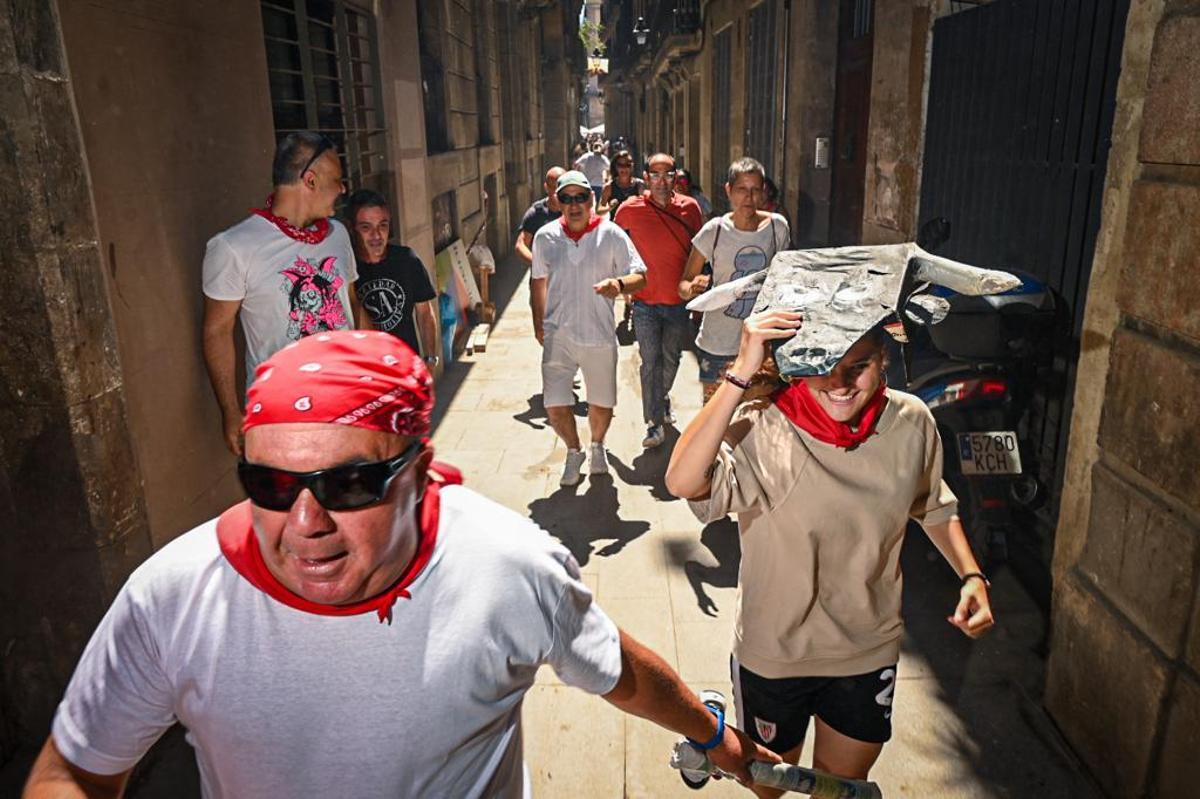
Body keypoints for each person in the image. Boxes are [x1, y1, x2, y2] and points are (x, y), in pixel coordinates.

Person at [24, 331, 778, 799]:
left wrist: (721, 741)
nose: (306, 523)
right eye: (271, 485)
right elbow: (75, 770)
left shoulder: (507, 567)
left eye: (348, 484)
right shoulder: (173, 596)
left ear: (420, 472)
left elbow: (619, 668)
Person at [664, 313, 995, 799]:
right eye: (820, 365)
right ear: (797, 365)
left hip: (867, 649)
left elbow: (934, 505)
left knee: (841, 790)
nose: (838, 383)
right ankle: (715, 730)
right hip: (775, 652)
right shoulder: (763, 425)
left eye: (857, 365)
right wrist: (740, 371)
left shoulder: (910, 422)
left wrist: (971, 576)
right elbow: (682, 482)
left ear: (884, 359)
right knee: (770, 786)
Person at [202, 131, 361, 457]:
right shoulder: (234, 247)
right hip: (282, 419)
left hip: (346, 407)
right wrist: (231, 413)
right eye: (338, 180)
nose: (343, 189)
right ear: (311, 181)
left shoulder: (338, 235)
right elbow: (217, 330)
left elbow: (352, 306)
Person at [531, 171, 647, 486]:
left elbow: (641, 276)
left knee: (602, 402)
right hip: (559, 335)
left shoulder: (611, 235)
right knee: (554, 407)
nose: (574, 204)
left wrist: (619, 284)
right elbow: (537, 280)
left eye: (580, 197)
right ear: (557, 202)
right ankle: (573, 450)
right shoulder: (545, 237)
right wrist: (538, 321)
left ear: (592, 199)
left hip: (598, 334)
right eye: (566, 198)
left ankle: (597, 446)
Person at [678, 158, 791, 402]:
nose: (748, 198)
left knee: (757, 417)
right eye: (741, 189)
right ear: (729, 190)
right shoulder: (714, 231)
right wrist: (693, 289)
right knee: (714, 419)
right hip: (717, 345)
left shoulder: (777, 228)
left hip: (761, 344)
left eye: (755, 190)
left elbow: (784, 279)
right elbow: (683, 285)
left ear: (763, 192)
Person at [613, 153, 703, 448]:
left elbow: (699, 254)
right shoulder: (629, 210)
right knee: (650, 362)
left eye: (668, 174)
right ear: (646, 177)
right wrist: (621, 283)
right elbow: (615, 249)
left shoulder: (690, 209)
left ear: (676, 176)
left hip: (678, 302)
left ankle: (660, 398)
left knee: (672, 358)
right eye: (656, 174)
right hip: (644, 304)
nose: (662, 181)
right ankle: (653, 422)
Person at [345, 190, 439, 369]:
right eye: (366, 227)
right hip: (366, 373)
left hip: (406, 369)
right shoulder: (346, 269)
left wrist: (430, 359)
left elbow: (425, 313)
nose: (377, 235)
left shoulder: (406, 260)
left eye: (383, 225)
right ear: (352, 229)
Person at [514, 166, 565, 266]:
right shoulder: (536, 213)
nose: (558, 193)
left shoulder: (574, 209)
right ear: (546, 187)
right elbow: (521, 245)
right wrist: (539, 264)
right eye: (554, 187)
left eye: (562, 188)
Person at [596, 149, 644, 219]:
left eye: (628, 165)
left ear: (632, 167)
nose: (624, 169)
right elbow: (598, 211)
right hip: (616, 228)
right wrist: (609, 207)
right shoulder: (609, 187)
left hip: (635, 228)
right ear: (616, 167)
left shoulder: (640, 185)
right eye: (620, 165)